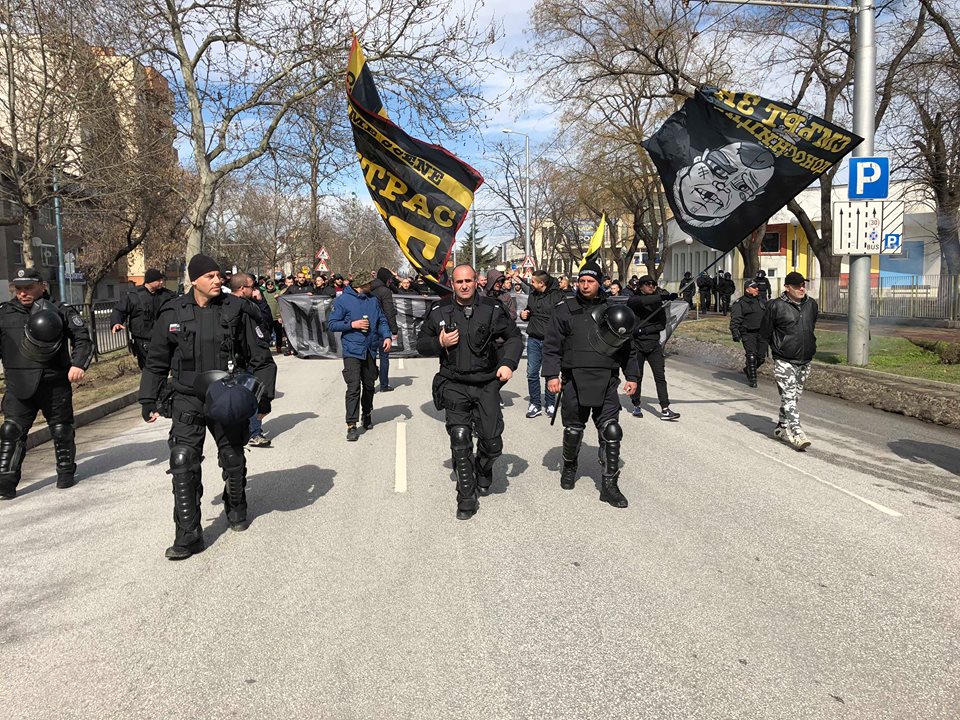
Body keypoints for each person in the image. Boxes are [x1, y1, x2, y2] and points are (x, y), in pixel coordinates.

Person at [139, 255, 276, 559]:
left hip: (227, 394)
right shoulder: (172, 312)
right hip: (187, 396)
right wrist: (148, 399)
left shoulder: (237, 310)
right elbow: (157, 361)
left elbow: (261, 359)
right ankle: (188, 535)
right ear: (195, 280)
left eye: (220, 276)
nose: (218, 281)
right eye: (211, 276)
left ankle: (236, 504)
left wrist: (261, 397)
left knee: (233, 456)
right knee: (183, 459)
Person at [416, 264, 522, 520]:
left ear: (477, 282)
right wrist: (439, 342)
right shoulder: (439, 310)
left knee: (493, 443)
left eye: (468, 281)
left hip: (486, 383)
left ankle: (483, 468)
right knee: (460, 437)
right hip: (454, 382)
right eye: (458, 281)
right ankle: (466, 495)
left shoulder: (492, 309)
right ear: (452, 284)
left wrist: (508, 363)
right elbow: (421, 344)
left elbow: (514, 338)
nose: (464, 286)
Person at [542, 258, 639, 508]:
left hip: (606, 379)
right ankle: (570, 465)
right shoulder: (565, 309)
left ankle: (609, 485)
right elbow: (552, 345)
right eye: (582, 281)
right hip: (574, 379)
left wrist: (632, 377)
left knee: (611, 431)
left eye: (591, 281)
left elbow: (628, 347)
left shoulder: (613, 310)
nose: (585, 285)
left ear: (599, 283)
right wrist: (552, 375)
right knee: (573, 429)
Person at [0, 268, 93, 499]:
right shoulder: (5, 313)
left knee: (61, 430)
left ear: (42, 286)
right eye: (18, 289)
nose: (22, 293)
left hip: (53, 382)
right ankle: (5, 481)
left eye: (28, 288)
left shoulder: (60, 310)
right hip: (19, 384)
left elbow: (82, 339)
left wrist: (78, 364)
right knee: (11, 431)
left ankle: (65, 472)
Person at [327, 277, 392, 441]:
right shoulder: (342, 301)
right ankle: (351, 425)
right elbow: (332, 324)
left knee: (369, 385)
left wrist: (387, 336)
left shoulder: (373, 300)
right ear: (361, 285)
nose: (372, 285)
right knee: (353, 386)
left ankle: (367, 412)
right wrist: (352, 325)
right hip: (352, 350)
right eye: (370, 283)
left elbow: (382, 320)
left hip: (370, 349)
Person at [760, 271, 818, 450]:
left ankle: (781, 427)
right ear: (787, 287)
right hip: (784, 359)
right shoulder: (775, 306)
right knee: (789, 396)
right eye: (797, 286)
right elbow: (765, 332)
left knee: (793, 397)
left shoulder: (811, 305)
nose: (802, 288)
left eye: (803, 285)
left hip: (804, 359)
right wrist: (774, 350)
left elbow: (810, 328)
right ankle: (797, 432)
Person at [626, 276, 680, 421]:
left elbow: (661, 324)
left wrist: (645, 331)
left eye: (653, 284)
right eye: (648, 284)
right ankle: (636, 404)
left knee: (660, 377)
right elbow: (642, 302)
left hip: (654, 345)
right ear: (640, 286)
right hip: (637, 345)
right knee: (638, 377)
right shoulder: (634, 299)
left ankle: (665, 408)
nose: (651, 286)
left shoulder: (659, 304)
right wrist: (664, 296)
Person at [230, 273, 274, 448]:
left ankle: (254, 432)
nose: (254, 289)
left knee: (252, 396)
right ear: (242, 288)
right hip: (238, 360)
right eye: (251, 286)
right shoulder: (228, 306)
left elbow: (265, 323)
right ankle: (249, 433)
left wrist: (261, 301)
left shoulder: (251, 304)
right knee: (246, 399)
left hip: (253, 358)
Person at [109, 268, 176, 369]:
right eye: (159, 280)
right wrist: (116, 322)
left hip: (164, 339)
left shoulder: (168, 295)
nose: (162, 282)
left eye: (162, 280)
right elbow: (119, 310)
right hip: (143, 341)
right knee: (147, 369)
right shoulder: (133, 296)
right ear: (150, 281)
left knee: (163, 368)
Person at [519, 270, 563, 419]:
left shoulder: (557, 296)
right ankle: (535, 404)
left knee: (549, 373)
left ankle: (550, 403)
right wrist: (523, 315)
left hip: (551, 341)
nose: (531, 284)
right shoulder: (532, 295)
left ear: (541, 283)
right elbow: (529, 312)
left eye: (533, 281)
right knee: (532, 373)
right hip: (533, 339)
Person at [729, 279, 768, 388]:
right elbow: (735, 319)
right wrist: (735, 332)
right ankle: (752, 380)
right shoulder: (740, 303)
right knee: (751, 356)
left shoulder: (761, 301)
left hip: (761, 332)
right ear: (747, 289)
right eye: (754, 287)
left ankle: (748, 369)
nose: (757, 289)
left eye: (757, 287)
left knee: (761, 358)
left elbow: (768, 316)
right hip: (748, 332)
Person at [370, 268, 399, 392]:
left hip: (369, 327)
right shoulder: (385, 291)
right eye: (389, 279)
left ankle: (369, 384)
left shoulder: (368, 288)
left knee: (370, 357)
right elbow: (389, 311)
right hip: (382, 328)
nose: (390, 281)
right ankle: (384, 385)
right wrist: (394, 330)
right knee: (384, 357)